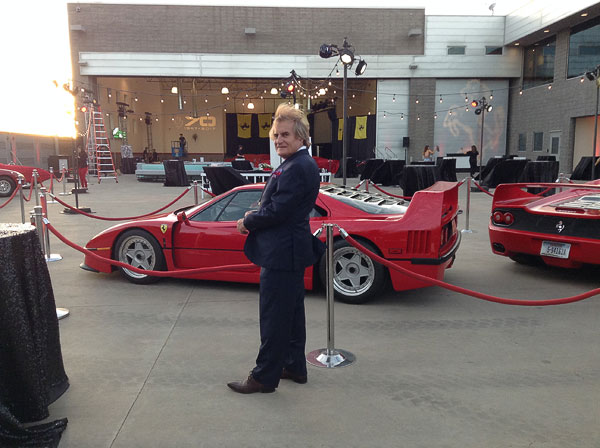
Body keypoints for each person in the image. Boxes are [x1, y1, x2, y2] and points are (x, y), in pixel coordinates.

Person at [228, 104, 326, 394]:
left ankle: (263, 377)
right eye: (276, 135)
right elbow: (281, 206)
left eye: (285, 135)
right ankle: (294, 366)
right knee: (292, 315)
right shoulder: (297, 163)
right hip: (289, 251)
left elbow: (278, 211)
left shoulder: (297, 166)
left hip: (282, 253)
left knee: (273, 318)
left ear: (301, 137)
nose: (279, 140)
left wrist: (248, 221)